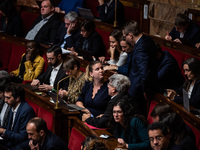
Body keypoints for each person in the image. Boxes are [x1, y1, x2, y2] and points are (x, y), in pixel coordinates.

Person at [123, 20, 159, 115]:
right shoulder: (147, 40)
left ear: (130, 35)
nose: (125, 39)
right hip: (140, 87)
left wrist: (144, 90)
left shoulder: (141, 48)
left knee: (137, 115)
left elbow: (145, 72)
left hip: (138, 91)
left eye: (125, 36)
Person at [0, 83, 36, 149]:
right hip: (11, 141)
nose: (5, 100)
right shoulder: (12, 106)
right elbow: (10, 129)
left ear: (17, 98)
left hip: (20, 145)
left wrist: (3, 131)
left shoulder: (26, 111)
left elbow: (22, 137)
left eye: (8, 98)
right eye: (5, 97)